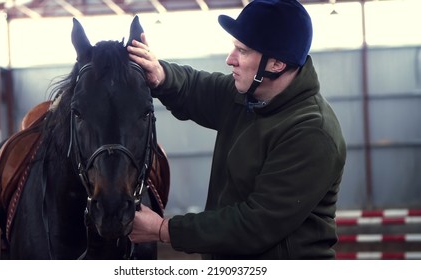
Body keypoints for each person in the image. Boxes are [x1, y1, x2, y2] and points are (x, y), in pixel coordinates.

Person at [127, 0, 346, 259]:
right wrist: (160, 74)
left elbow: (254, 225)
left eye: (242, 51)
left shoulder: (311, 133)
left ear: (276, 64)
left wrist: (163, 229)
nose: (230, 60)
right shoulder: (249, 95)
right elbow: (195, 87)